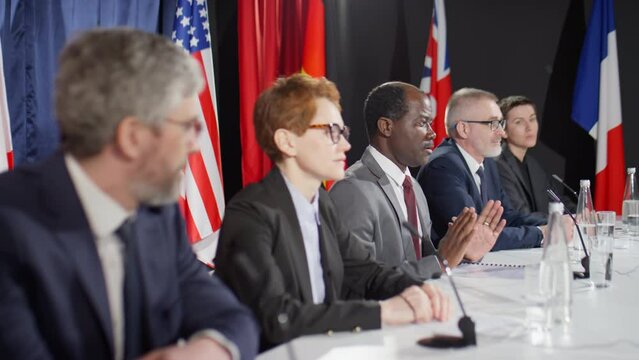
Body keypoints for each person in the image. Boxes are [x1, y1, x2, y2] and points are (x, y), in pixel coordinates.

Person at [0, 28, 258, 360]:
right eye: (188, 127)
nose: (196, 145)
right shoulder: (10, 222)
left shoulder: (158, 214)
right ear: (132, 137)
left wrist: (208, 350)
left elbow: (233, 319)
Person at [215, 74, 451, 351]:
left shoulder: (322, 204)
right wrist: (384, 313)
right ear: (287, 141)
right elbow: (277, 318)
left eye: (344, 132)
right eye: (331, 132)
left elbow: (366, 272)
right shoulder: (252, 213)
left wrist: (414, 290)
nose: (345, 146)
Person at [329, 82, 505, 281]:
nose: (433, 133)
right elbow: (359, 282)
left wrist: (462, 252)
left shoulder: (414, 187)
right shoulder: (353, 190)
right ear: (386, 126)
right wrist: (441, 261)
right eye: (422, 123)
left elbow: (425, 262)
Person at [417, 88, 572, 251]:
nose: (502, 132)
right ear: (464, 129)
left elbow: (508, 217)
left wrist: (557, 223)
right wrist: (541, 234)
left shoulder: (488, 162)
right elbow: (475, 237)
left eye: (501, 123)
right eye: (492, 124)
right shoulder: (443, 168)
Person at [496, 95, 572, 219]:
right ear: (503, 131)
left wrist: (580, 212)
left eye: (532, 119)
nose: (529, 127)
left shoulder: (533, 164)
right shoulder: (499, 164)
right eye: (519, 122)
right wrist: (559, 220)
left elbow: (557, 200)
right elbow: (519, 214)